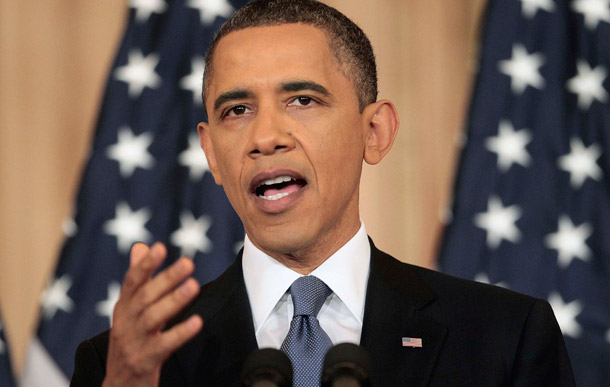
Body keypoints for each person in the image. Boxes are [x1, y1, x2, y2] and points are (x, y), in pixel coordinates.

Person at [71, 0, 575, 386]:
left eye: (302, 100)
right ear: (211, 154)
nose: (266, 136)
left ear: (374, 132)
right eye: (237, 111)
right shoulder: (130, 363)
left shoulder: (504, 338)